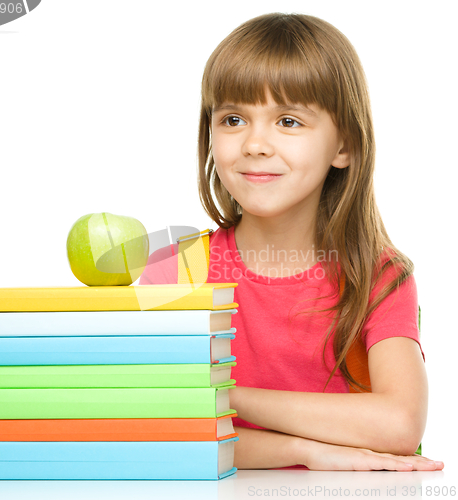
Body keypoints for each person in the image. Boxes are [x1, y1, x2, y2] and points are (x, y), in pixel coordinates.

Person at [140, 12, 444, 472]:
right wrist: (305, 450)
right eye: (234, 118)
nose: (255, 144)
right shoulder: (174, 272)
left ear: (343, 146)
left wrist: (220, 394)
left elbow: (400, 424)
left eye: (288, 121)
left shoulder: (377, 276)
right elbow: (155, 429)